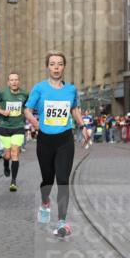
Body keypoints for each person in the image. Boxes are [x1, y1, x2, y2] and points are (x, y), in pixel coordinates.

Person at [24, 51, 91, 238]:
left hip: (64, 140)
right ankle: (45, 202)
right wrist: (35, 122)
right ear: (48, 66)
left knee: (62, 180)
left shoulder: (71, 89)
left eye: (59, 64)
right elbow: (27, 110)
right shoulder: (39, 88)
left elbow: (75, 109)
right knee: (47, 179)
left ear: (64, 67)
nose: (56, 67)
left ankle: (62, 222)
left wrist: (83, 126)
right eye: (52, 64)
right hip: (45, 140)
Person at [0, 72, 29, 191]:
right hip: (5, 127)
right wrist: (2, 112)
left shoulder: (25, 94)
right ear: (8, 82)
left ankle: (13, 181)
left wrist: (26, 111)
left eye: (16, 79)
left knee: (15, 153)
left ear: (19, 81)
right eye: (11, 80)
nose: (14, 82)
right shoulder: (2, 93)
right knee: (7, 155)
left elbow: (28, 106)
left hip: (18, 126)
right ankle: (6, 164)